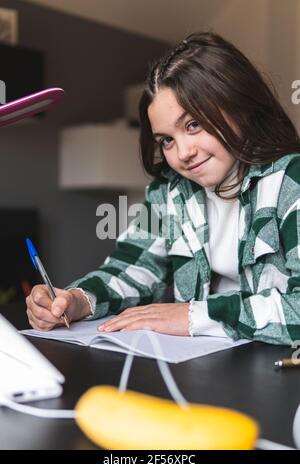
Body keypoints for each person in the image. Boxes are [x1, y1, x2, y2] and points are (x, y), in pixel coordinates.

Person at [26, 32, 300, 344]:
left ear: (238, 106)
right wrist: (78, 300)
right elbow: (132, 269)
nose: (183, 153)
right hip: (205, 366)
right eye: (166, 140)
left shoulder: (292, 180)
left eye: (193, 124)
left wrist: (193, 315)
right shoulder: (169, 192)